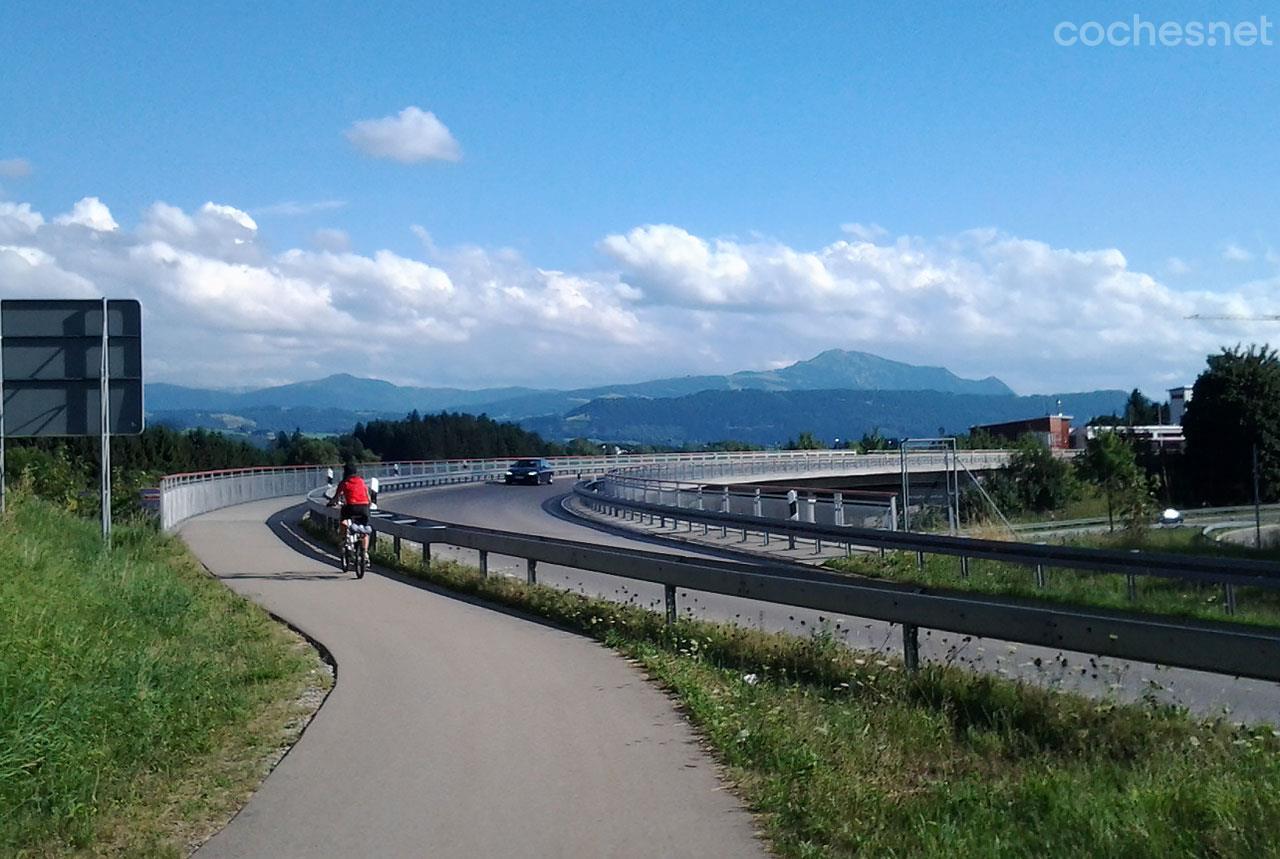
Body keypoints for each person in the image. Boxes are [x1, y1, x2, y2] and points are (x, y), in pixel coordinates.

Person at [328, 462, 371, 558]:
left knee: (343, 521)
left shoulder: (344, 482)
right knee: (364, 529)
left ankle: (344, 539)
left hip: (351, 507)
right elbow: (368, 497)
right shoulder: (362, 481)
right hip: (364, 507)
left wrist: (331, 503)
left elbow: (336, 497)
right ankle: (365, 553)